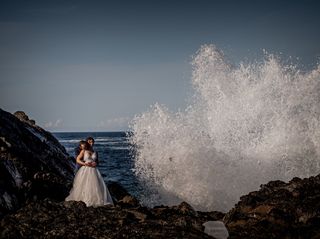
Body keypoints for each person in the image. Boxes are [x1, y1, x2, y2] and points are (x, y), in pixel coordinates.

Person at [65, 139, 114, 207]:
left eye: (92, 142)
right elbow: (77, 160)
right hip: (86, 169)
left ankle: (96, 200)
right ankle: (85, 200)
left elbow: (97, 162)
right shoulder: (84, 151)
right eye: (90, 142)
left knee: (95, 185)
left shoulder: (95, 152)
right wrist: (85, 163)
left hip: (94, 170)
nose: (91, 143)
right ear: (87, 143)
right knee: (85, 184)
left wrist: (95, 163)